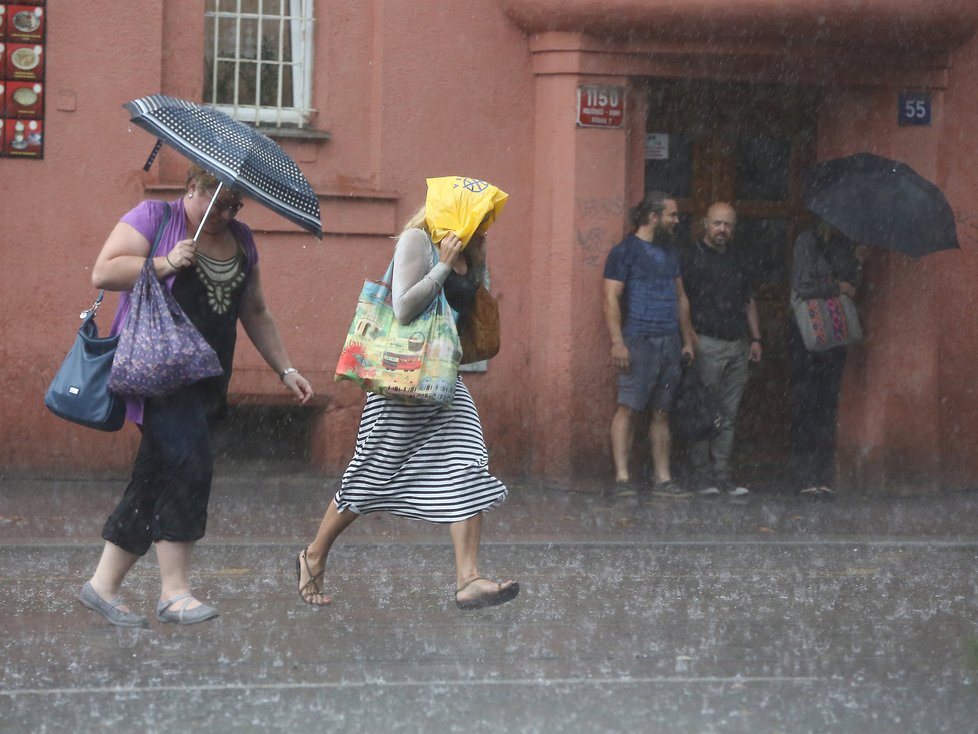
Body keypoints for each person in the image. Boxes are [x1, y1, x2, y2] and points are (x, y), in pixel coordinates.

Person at [79, 165, 314, 627]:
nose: (227, 213)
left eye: (235, 205)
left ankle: (101, 586)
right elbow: (103, 271)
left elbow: (256, 310)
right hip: (158, 372)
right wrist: (165, 263)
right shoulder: (156, 217)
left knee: (155, 477)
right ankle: (174, 593)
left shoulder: (242, 240)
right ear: (192, 189)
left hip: (209, 377)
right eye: (220, 202)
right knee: (191, 463)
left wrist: (286, 369)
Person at [295, 177, 519, 611]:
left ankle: (468, 578)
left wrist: (473, 262)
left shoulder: (469, 251)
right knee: (373, 471)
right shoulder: (418, 240)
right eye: (481, 215)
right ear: (456, 209)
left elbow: (463, 313)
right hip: (403, 380)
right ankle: (315, 553)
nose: (485, 224)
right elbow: (403, 307)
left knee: (469, 461)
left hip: (443, 379)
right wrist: (443, 264)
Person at [603, 192, 697, 499]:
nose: (676, 220)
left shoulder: (670, 252)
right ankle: (622, 478)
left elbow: (681, 297)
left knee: (662, 411)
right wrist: (618, 342)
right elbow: (611, 298)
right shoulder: (624, 252)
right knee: (628, 407)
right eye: (671, 215)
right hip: (638, 340)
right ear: (653, 216)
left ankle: (663, 479)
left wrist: (687, 340)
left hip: (669, 342)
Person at [680, 202, 762, 497]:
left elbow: (748, 300)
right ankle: (700, 475)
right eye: (717, 223)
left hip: (737, 344)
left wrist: (756, 338)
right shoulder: (690, 257)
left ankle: (722, 473)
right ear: (705, 224)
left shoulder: (739, 259)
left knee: (728, 413)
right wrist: (689, 338)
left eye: (727, 225)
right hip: (707, 343)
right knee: (704, 412)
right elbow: (681, 300)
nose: (722, 230)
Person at [789, 216, 867, 499]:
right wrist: (836, 287)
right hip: (807, 334)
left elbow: (853, 287)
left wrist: (858, 262)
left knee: (828, 403)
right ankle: (804, 475)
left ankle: (823, 476)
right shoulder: (806, 241)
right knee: (807, 402)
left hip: (834, 334)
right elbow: (803, 286)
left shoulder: (843, 245)